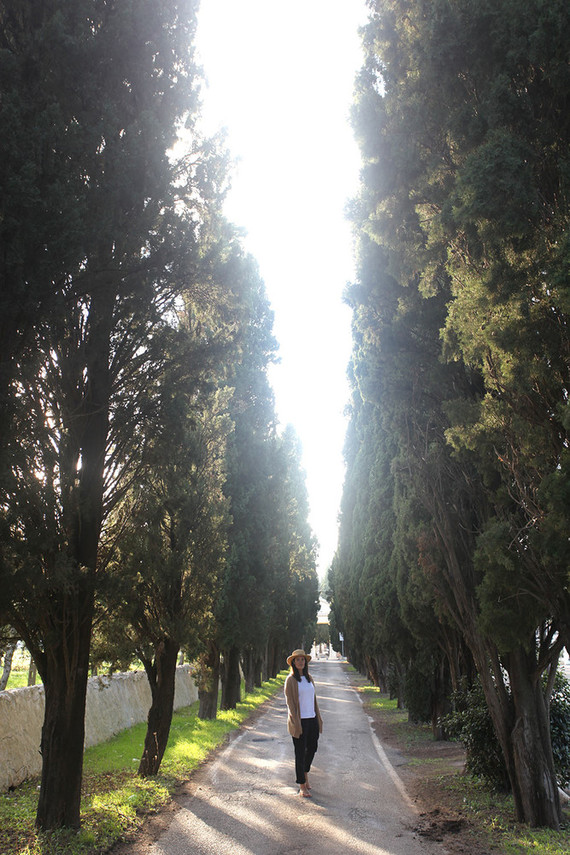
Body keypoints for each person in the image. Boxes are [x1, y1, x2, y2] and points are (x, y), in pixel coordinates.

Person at [284, 648, 323, 797]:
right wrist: (296, 722)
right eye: (297, 660)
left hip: (312, 719)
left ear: (305, 662)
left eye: (302, 660)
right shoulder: (291, 680)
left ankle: (305, 773)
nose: (300, 662)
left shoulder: (309, 678)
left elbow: (314, 700)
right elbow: (290, 704)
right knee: (300, 753)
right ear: (293, 662)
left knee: (312, 748)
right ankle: (302, 785)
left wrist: (318, 718)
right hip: (299, 722)